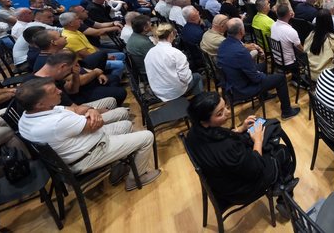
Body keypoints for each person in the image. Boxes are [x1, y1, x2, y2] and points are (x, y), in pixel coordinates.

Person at [17, 77, 161, 191]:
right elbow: (95, 124)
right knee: (147, 137)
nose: (60, 91)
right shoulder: (56, 123)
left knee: (126, 124)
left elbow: (76, 110)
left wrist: (91, 110)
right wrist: (91, 112)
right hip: (88, 155)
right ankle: (135, 179)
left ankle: (118, 167)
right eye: (54, 91)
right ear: (40, 104)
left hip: (82, 144)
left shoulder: (26, 117)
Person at [185, 92, 297, 215]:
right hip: (240, 190)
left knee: (268, 145)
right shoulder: (226, 146)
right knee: (282, 151)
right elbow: (256, 168)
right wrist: (258, 141)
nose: (228, 112)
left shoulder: (193, 133)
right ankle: (285, 201)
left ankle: (279, 183)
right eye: (220, 113)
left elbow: (221, 137)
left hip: (221, 181)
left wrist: (240, 129)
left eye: (225, 106)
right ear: (204, 121)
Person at [218, 19, 299, 119]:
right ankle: (287, 112)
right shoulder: (241, 52)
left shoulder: (223, 44)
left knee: (264, 65)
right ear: (241, 31)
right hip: (242, 88)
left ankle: (264, 95)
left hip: (232, 81)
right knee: (280, 78)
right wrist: (264, 76)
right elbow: (256, 78)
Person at [144, 24, 203, 101]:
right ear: (171, 34)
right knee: (197, 76)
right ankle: (198, 102)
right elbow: (186, 78)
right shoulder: (176, 53)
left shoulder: (150, 52)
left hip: (157, 90)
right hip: (174, 92)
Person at [60, 12, 126, 77]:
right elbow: (85, 55)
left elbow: (90, 46)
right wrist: (105, 57)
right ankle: (111, 81)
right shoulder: (70, 37)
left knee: (121, 55)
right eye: (77, 19)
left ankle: (115, 75)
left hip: (94, 55)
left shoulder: (76, 31)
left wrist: (102, 55)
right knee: (119, 64)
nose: (80, 20)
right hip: (87, 63)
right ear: (71, 23)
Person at [304, 10, 334, 81]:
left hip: (309, 72)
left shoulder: (311, 35)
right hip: (325, 77)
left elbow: (304, 50)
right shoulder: (333, 39)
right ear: (330, 22)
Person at [270, 4, 303, 76]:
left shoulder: (273, 25)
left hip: (276, 58)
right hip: (288, 63)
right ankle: (296, 78)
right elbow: (300, 49)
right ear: (288, 14)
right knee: (304, 55)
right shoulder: (291, 31)